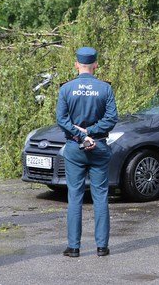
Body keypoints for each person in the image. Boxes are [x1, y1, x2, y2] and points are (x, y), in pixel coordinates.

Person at [57, 47, 118, 258]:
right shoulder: (104, 89)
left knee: (75, 196)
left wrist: (81, 135)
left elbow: (61, 120)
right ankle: (102, 246)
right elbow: (111, 119)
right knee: (100, 196)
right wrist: (91, 133)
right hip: (99, 146)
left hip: (75, 147)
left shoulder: (66, 89)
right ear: (96, 65)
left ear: (76, 64)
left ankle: (74, 247)